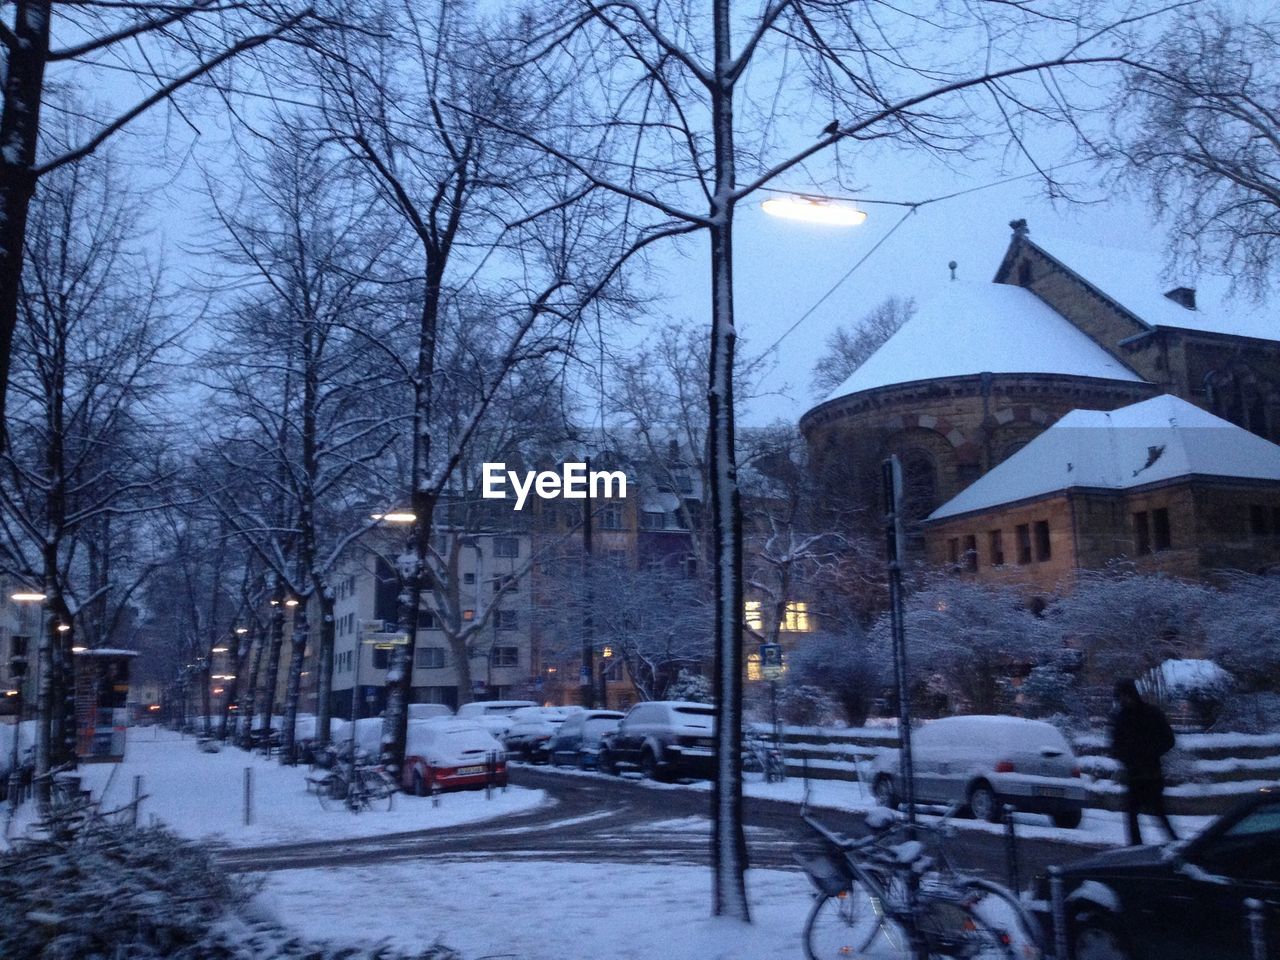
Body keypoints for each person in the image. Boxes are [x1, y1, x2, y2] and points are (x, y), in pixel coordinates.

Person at [1109, 678, 1178, 846]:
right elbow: (1114, 745)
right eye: (1121, 697)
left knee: (1159, 814)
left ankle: (1177, 847)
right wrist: (1126, 758)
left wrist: (1149, 753)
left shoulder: (1151, 714)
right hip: (1134, 775)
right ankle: (1135, 848)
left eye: (1126, 695)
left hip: (1151, 774)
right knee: (1132, 815)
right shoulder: (1121, 718)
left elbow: (1168, 739)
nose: (1124, 700)